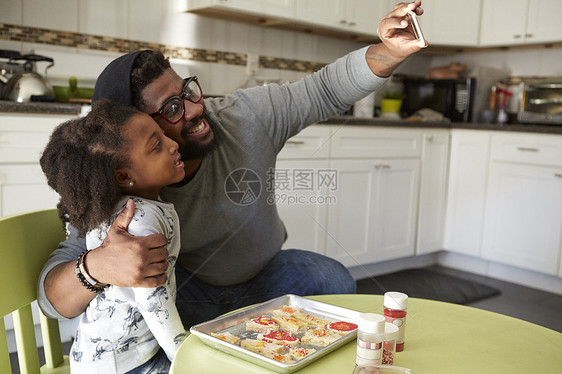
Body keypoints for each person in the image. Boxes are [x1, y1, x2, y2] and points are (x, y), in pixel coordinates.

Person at [38, 1, 427, 329]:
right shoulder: (113, 189)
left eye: (187, 90)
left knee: (330, 277)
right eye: (172, 109)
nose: (195, 109)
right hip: (183, 296)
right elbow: (52, 299)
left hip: (266, 280)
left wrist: (389, 51)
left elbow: (323, 89)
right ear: (137, 133)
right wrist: (96, 268)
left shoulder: (245, 117)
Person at [40, 99, 187, 373]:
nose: (173, 144)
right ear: (124, 176)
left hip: (121, 355)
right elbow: (152, 298)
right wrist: (182, 352)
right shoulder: (141, 219)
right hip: (123, 363)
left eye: (164, 134)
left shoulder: (121, 210)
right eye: (157, 146)